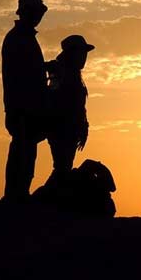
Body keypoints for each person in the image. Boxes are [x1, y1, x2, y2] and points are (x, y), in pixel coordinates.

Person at [2, 0, 49, 202]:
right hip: (23, 109)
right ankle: (16, 198)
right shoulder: (19, 39)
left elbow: (28, 72)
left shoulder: (23, 38)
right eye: (35, 11)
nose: (38, 16)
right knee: (23, 154)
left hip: (25, 108)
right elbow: (23, 77)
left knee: (26, 154)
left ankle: (18, 196)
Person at [45, 35, 94, 184]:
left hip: (69, 129)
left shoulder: (70, 72)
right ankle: (46, 201)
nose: (84, 57)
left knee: (63, 167)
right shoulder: (61, 73)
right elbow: (61, 103)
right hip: (62, 128)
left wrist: (82, 125)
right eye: (81, 52)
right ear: (72, 53)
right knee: (62, 168)